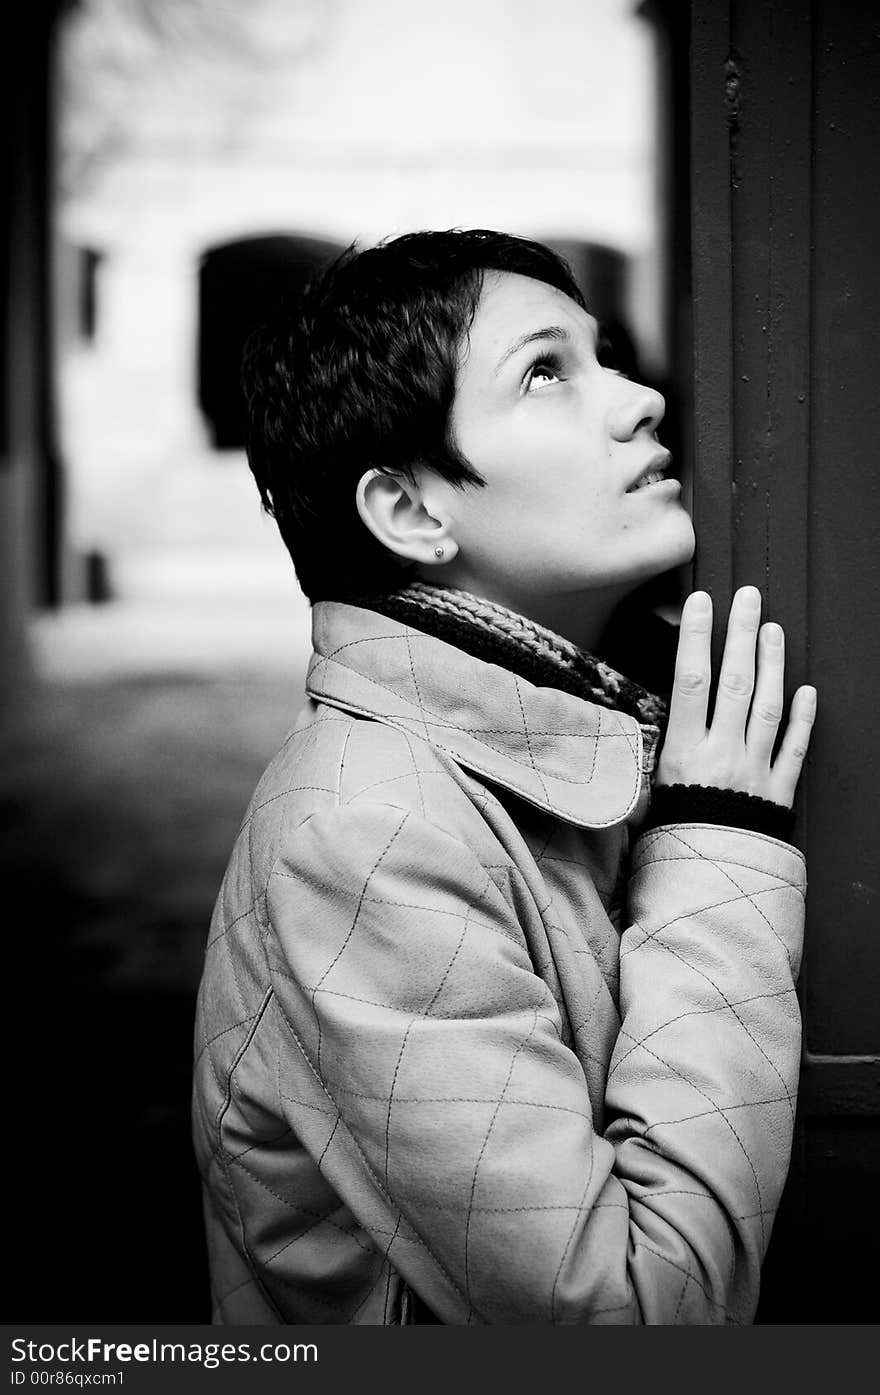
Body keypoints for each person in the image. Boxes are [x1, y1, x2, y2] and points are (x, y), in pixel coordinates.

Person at [191, 229, 817, 1325]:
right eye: (544, 373)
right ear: (413, 512)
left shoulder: (579, 717)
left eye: (606, 355)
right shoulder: (364, 831)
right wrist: (716, 838)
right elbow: (630, 1318)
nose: (638, 400)